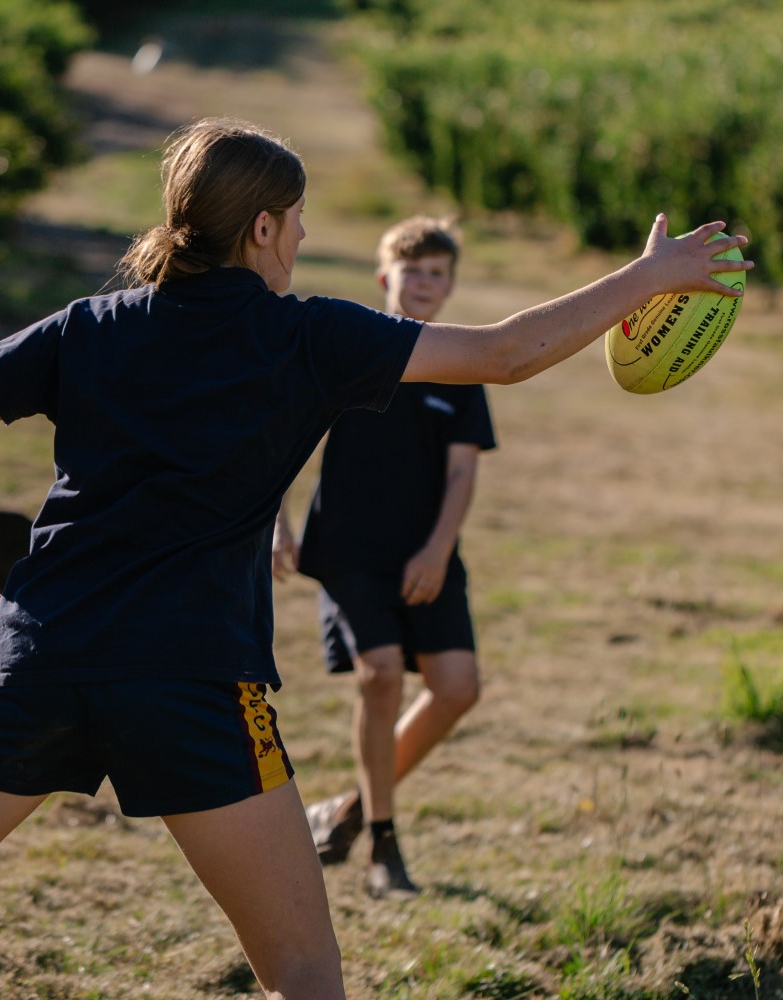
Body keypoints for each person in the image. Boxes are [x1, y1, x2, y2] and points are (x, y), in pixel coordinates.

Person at [0, 116, 750, 1000]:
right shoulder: (309, 337)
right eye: (293, 224)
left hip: (35, 663)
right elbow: (503, 354)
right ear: (259, 229)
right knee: (300, 968)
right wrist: (646, 278)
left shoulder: (87, 326)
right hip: (192, 682)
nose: (297, 241)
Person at [273, 215, 494, 898]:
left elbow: (462, 473)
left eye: (437, 274)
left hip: (425, 552)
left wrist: (436, 549)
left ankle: (344, 811)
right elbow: (281, 437)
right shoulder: (354, 350)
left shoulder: (461, 363)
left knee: (457, 688)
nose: (425, 283)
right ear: (384, 279)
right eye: (413, 270)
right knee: (382, 676)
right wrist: (275, 522)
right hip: (349, 550)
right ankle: (383, 850)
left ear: (450, 287)